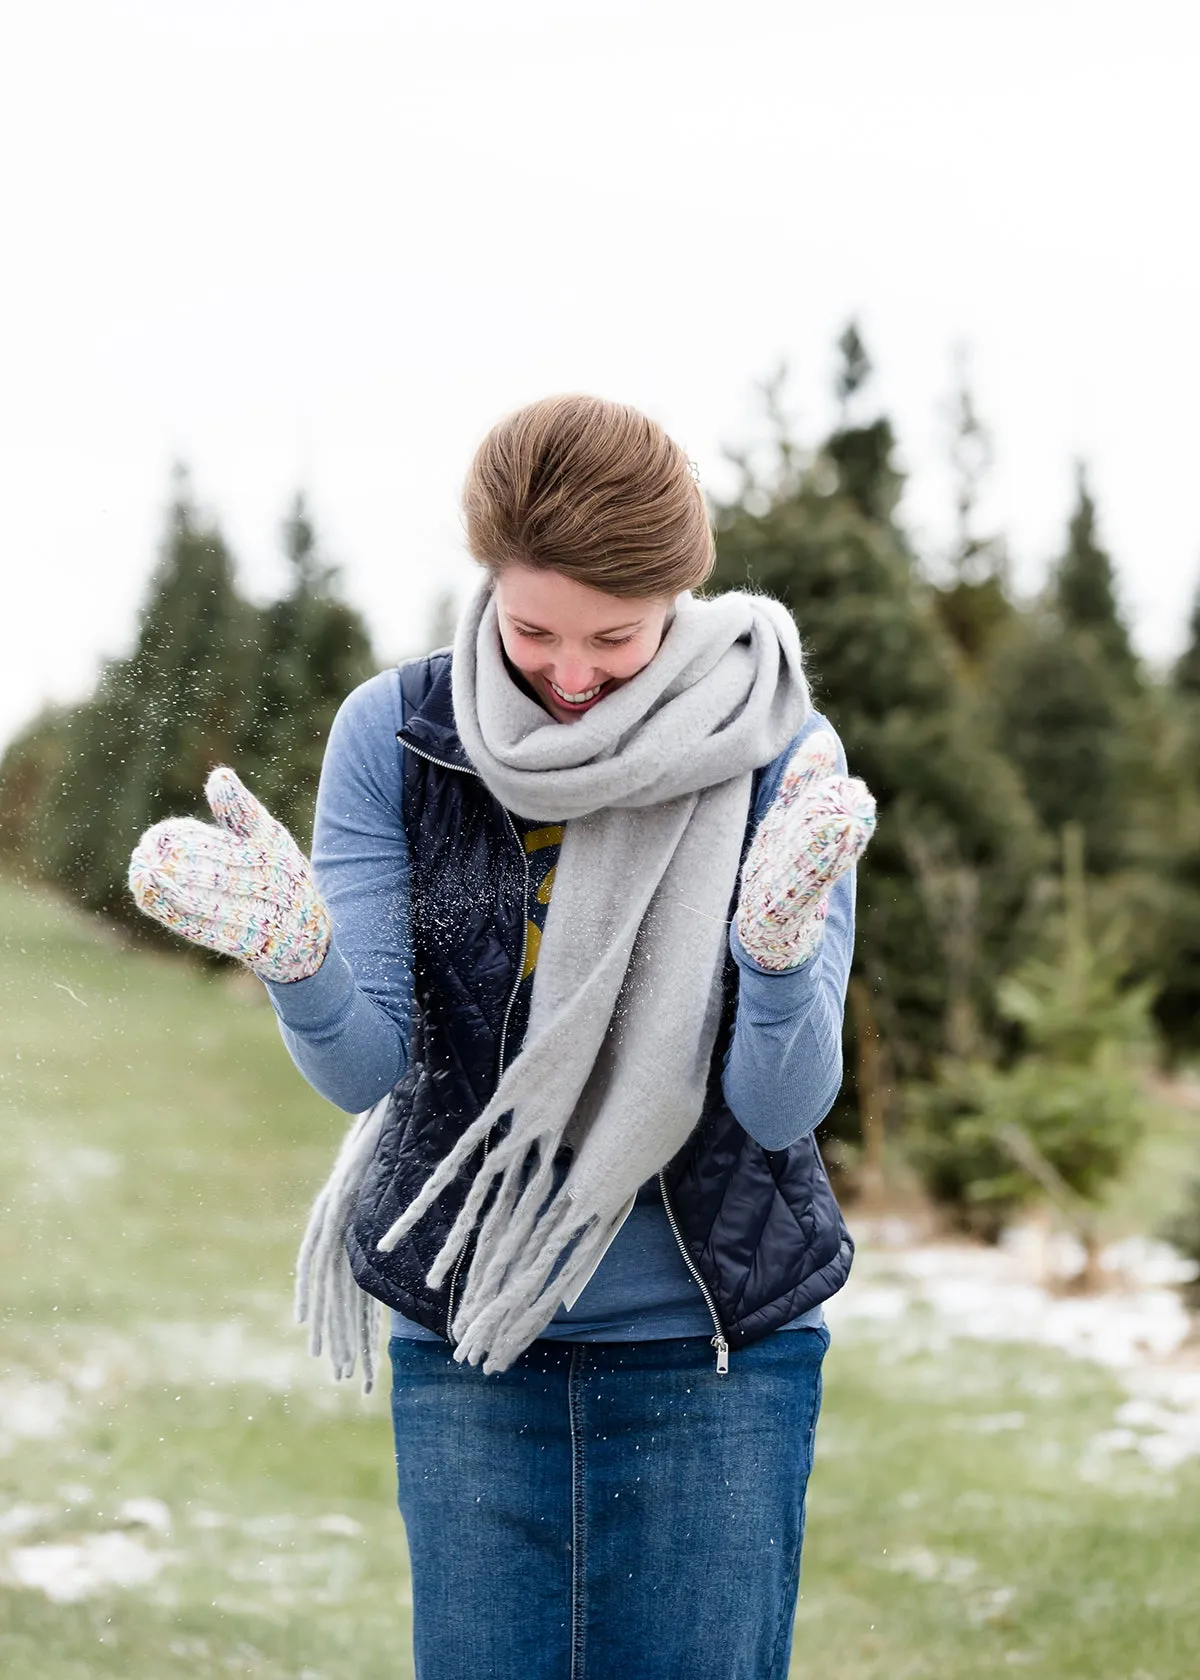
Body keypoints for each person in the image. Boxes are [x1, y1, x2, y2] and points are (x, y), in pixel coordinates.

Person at [129, 394, 876, 1680]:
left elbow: (780, 1106)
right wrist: (298, 961)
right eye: (534, 629)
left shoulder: (774, 754)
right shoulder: (403, 741)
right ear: (486, 584)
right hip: (473, 1334)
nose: (572, 674)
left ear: (678, 600)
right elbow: (369, 1068)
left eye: (616, 638)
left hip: (713, 1355)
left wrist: (773, 953)